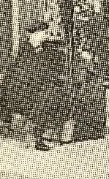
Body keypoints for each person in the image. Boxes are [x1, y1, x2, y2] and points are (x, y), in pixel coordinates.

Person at [7, 18, 69, 151]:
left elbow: (50, 70)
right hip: (24, 88)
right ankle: (32, 137)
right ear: (34, 34)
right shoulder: (25, 50)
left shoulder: (46, 50)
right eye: (43, 32)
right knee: (41, 100)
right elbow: (20, 72)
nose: (46, 35)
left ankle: (37, 137)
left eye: (46, 32)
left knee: (48, 98)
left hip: (39, 87)